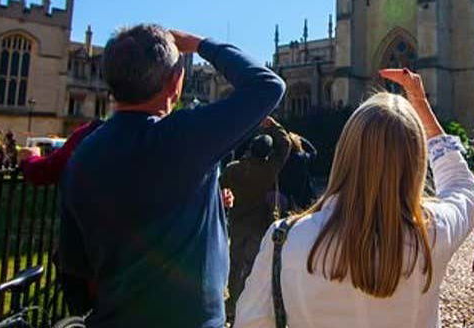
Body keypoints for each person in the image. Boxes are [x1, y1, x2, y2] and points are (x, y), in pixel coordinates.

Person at [59, 25, 285, 328]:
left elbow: (73, 264)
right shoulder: (183, 138)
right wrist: (201, 44)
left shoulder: (83, 155)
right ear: (175, 82)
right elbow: (268, 85)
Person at [233, 68, 474, 328]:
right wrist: (420, 106)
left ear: (345, 152)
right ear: (416, 162)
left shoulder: (284, 239)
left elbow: (250, 322)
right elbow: (465, 188)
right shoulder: (433, 233)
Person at [221, 121, 292, 321]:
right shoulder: (270, 169)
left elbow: (220, 190)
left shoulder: (232, 169)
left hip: (237, 221)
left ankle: (232, 304)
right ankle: (248, 305)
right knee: (252, 266)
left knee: (234, 265)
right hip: (260, 223)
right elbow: (285, 144)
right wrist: (274, 125)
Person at [278, 133, 318, 212]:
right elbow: (313, 152)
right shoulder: (302, 157)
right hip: (304, 193)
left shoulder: (282, 159)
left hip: (287, 194)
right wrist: (301, 139)